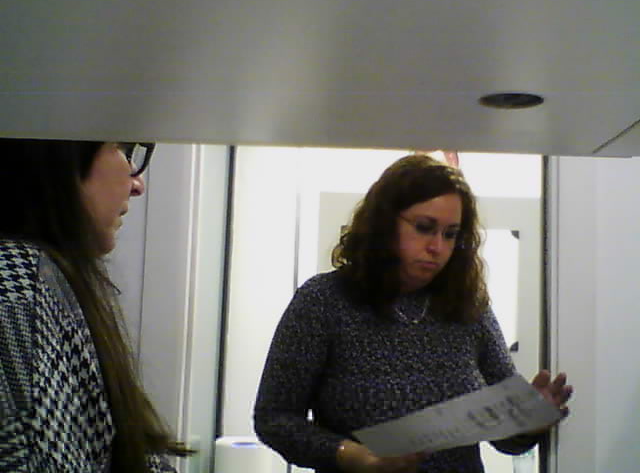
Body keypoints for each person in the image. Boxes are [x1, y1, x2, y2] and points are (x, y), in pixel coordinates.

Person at [254, 154, 572, 473]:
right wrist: (352, 456)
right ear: (384, 224)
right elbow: (275, 419)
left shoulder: (467, 306)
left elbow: (504, 437)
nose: (437, 247)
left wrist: (528, 419)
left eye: (450, 234)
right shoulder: (324, 301)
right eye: (424, 228)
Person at [0, 140, 191, 472]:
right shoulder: (18, 283)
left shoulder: (44, 275)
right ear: (63, 156)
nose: (138, 185)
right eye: (125, 150)